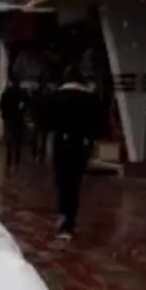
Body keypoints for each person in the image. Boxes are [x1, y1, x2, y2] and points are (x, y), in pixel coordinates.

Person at [47, 67, 100, 240]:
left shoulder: (56, 97)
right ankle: (71, 218)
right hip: (80, 146)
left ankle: (63, 214)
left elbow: (46, 121)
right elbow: (96, 124)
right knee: (75, 183)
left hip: (61, 144)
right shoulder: (89, 99)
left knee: (62, 181)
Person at [0, 75, 28, 170]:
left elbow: (1, 105)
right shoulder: (22, 93)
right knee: (17, 140)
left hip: (9, 119)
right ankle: (16, 159)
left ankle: (9, 158)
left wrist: (4, 115)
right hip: (18, 119)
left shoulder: (8, 92)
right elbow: (27, 104)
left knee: (10, 140)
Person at [29, 79, 52, 162]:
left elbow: (32, 104)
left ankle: (38, 153)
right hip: (42, 117)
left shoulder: (37, 93)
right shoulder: (48, 92)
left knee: (38, 136)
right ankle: (40, 153)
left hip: (40, 117)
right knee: (41, 137)